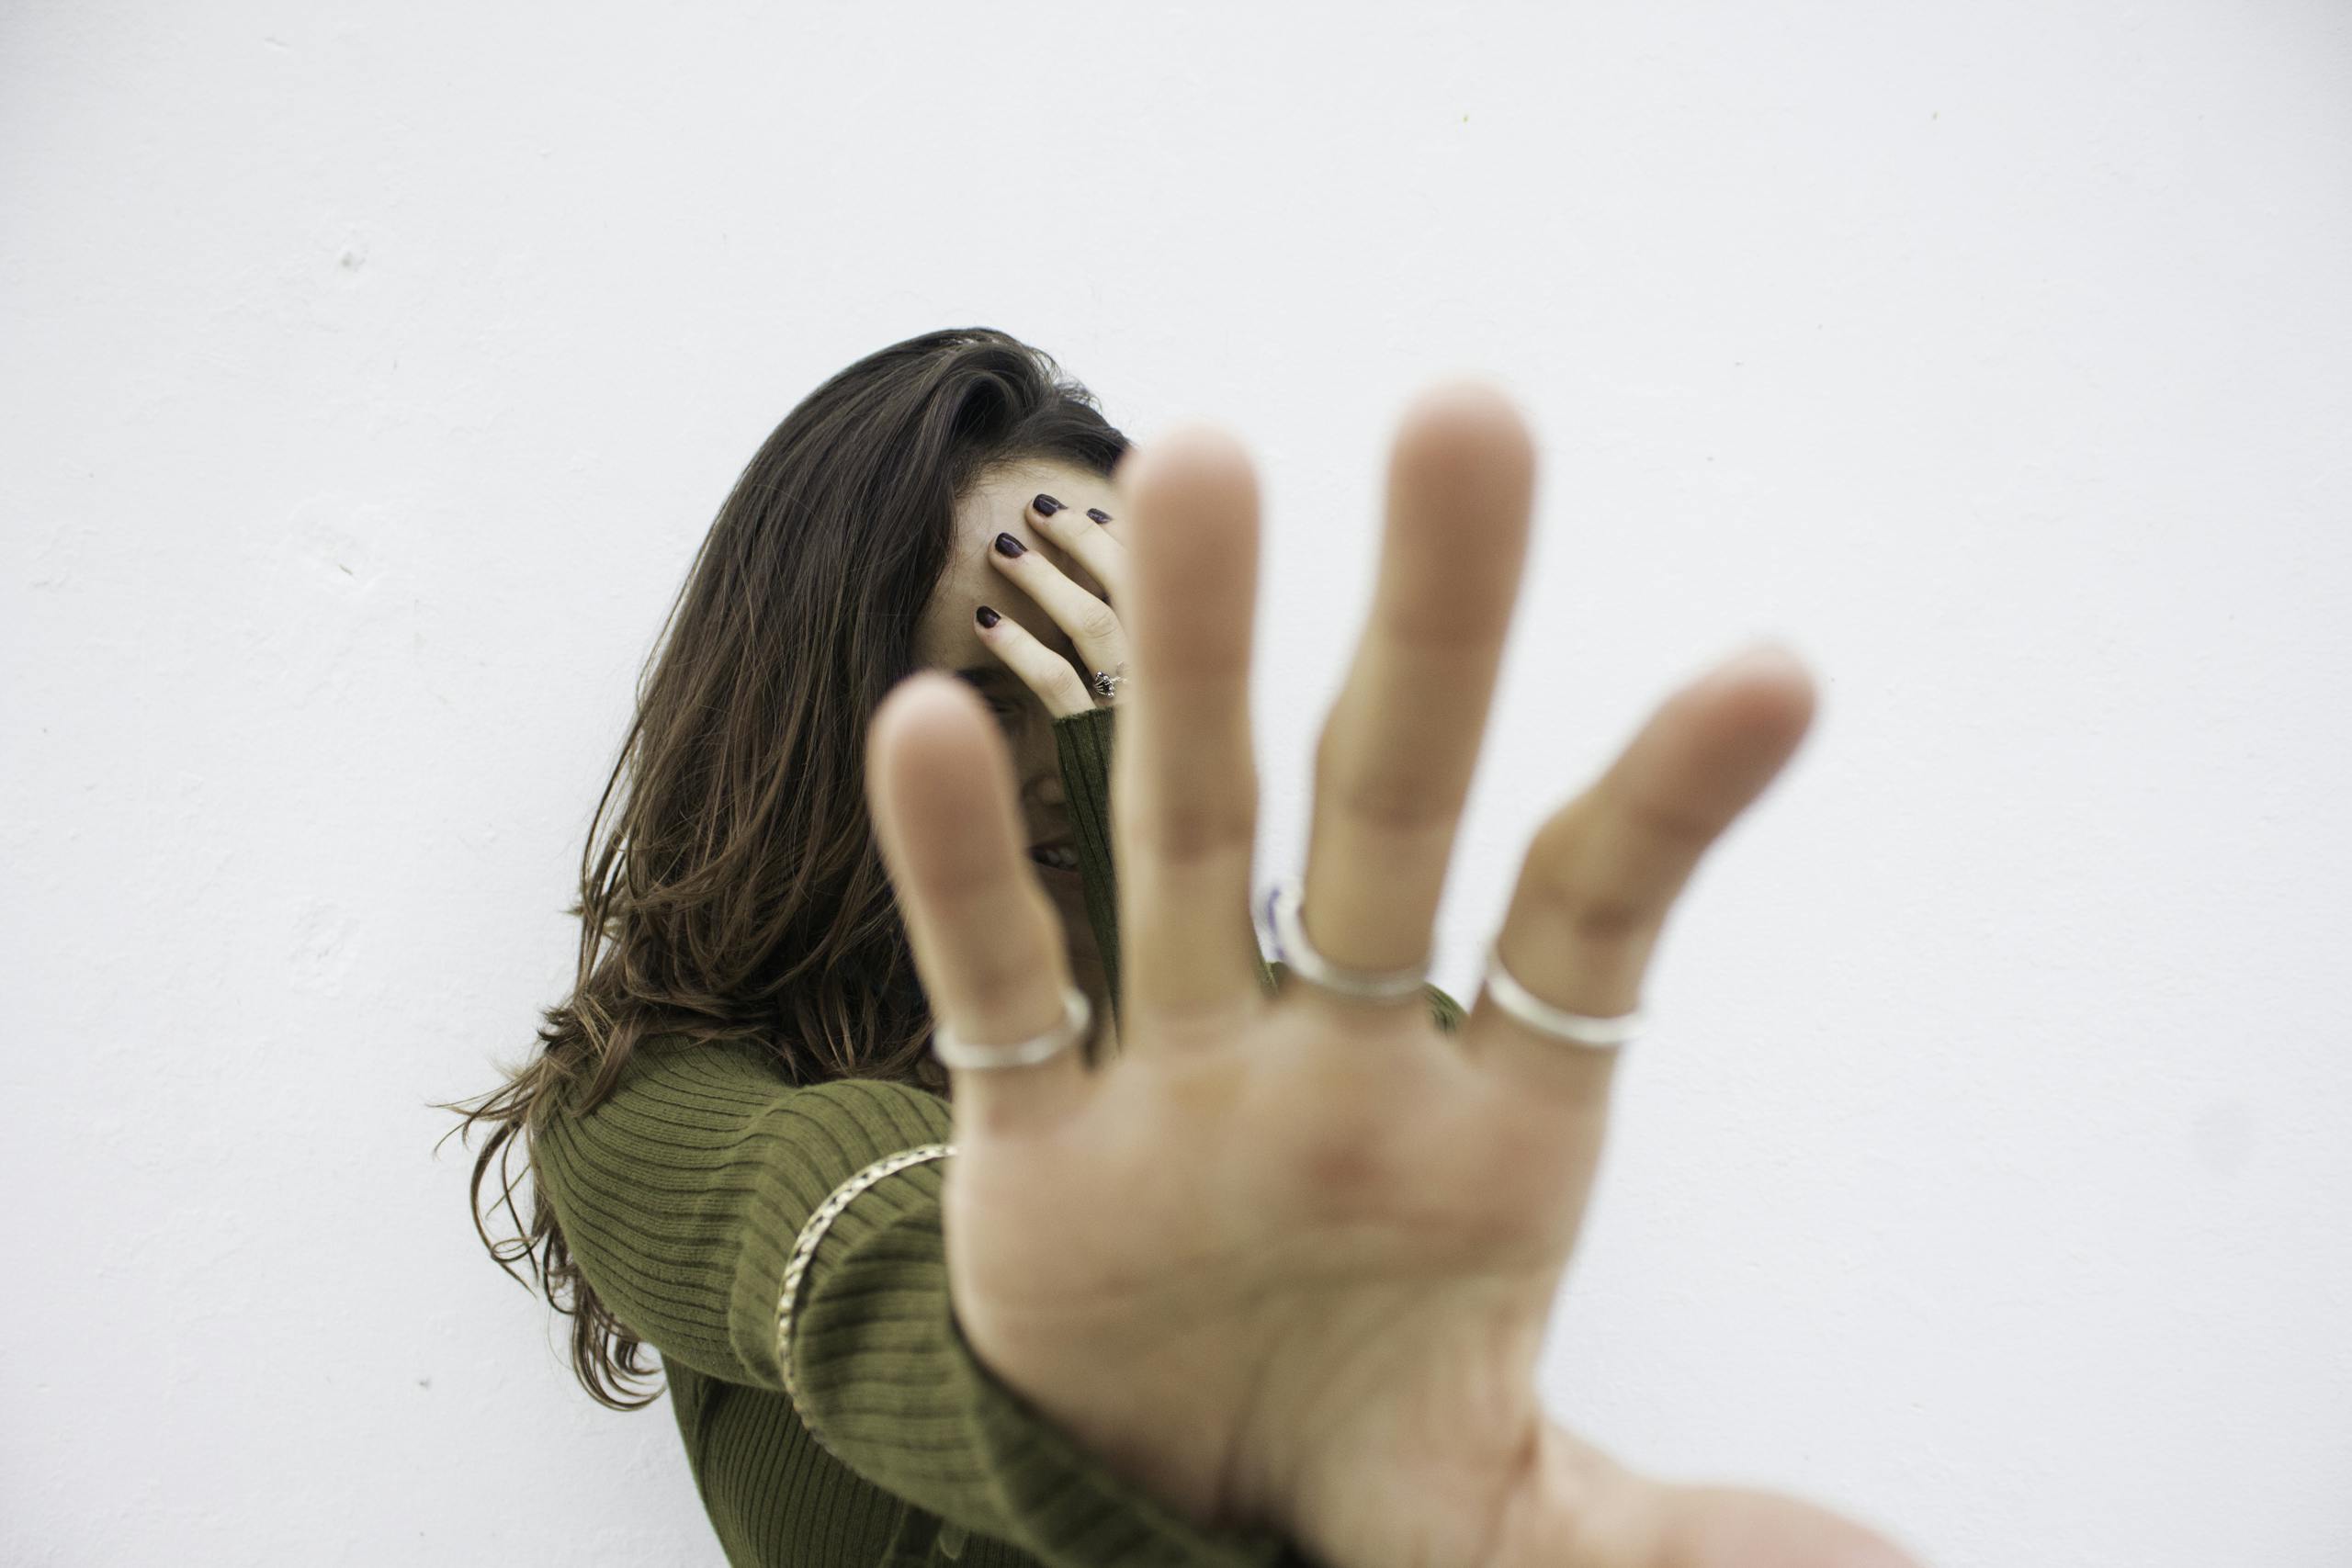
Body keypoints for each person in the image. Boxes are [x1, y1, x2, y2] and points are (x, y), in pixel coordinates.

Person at [436, 328, 1926, 1568]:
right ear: (815, 733)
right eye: (998, 690)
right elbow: (859, 1243)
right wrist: (1131, 1395)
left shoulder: (1392, 1074)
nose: (1068, 744)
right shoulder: (656, 1104)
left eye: (1111, 669)